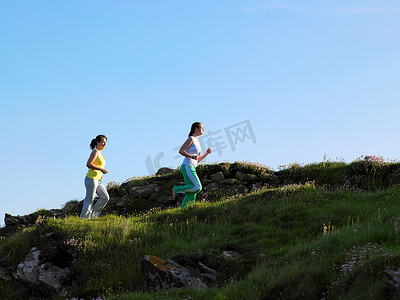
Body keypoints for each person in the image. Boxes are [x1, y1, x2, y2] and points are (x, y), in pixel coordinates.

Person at [172, 122, 212, 208]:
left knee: (192, 191)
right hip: (187, 166)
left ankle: (185, 209)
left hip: (192, 166)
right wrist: (191, 156)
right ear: (196, 129)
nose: (203, 129)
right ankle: (176, 189)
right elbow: (181, 151)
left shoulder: (197, 142)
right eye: (202, 128)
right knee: (197, 187)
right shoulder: (191, 139)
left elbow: (197, 159)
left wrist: (206, 153)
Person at [80, 135, 110, 219]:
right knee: (90, 199)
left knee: (105, 197)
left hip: (98, 180)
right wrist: (101, 169)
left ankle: (93, 216)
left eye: (105, 143)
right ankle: (84, 219)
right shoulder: (95, 152)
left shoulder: (100, 154)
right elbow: (88, 164)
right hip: (91, 178)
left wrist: (100, 175)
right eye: (102, 142)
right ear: (97, 142)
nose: (104, 144)